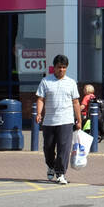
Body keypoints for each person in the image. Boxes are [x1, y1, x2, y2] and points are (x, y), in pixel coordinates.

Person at [36, 55, 81, 184]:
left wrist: (79, 119)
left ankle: (61, 173)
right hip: (49, 121)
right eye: (59, 67)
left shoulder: (71, 83)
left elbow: (76, 102)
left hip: (66, 120)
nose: (61, 70)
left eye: (64, 67)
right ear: (54, 68)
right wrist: (39, 113)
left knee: (64, 148)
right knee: (48, 148)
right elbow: (40, 99)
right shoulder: (46, 81)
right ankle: (51, 166)